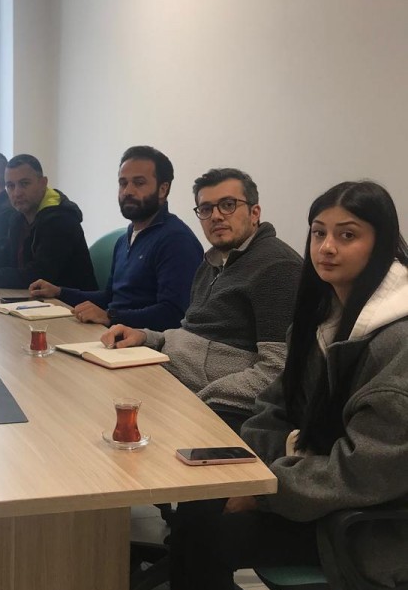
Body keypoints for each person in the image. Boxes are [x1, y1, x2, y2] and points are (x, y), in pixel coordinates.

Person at [96, 180, 408, 590]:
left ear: (383, 243)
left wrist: (268, 488)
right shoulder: (326, 313)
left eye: (348, 235)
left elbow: (366, 469)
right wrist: (259, 467)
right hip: (316, 487)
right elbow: (273, 406)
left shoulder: (396, 339)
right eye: (319, 232)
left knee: (212, 538)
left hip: (369, 521)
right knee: (195, 510)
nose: (327, 248)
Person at [101, 168, 301, 430]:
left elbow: (277, 371)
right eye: (206, 209)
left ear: (255, 213)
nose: (216, 216)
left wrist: (200, 403)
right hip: (171, 381)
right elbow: (191, 334)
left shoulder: (277, 268)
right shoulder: (213, 261)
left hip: (208, 406)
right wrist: (145, 337)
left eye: (228, 205)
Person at [29, 146, 203, 328]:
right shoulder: (124, 240)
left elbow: (174, 315)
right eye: (123, 183)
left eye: (139, 183)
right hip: (113, 332)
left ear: (162, 189)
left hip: (144, 342)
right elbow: (110, 297)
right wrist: (59, 292)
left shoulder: (176, 240)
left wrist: (111, 317)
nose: (127, 191)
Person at [0, 154, 97, 291]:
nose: (17, 193)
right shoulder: (18, 217)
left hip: (70, 307)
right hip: (35, 300)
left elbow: (37, 275)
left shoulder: (60, 219)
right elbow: (4, 256)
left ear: (43, 183)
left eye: (24, 184)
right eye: (10, 186)